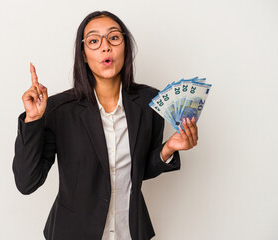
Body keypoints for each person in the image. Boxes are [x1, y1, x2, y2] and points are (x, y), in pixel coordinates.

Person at [12, 10, 198, 240]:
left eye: (114, 38)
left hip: (130, 231)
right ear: (83, 54)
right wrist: (33, 120)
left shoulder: (150, 103)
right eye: (93, 41)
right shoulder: (59, 109)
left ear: (125, 46)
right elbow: (26, 182)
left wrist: (168, 148)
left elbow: (139, 172)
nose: (105, 47)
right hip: (72, 232)